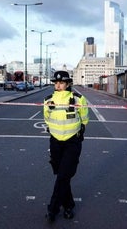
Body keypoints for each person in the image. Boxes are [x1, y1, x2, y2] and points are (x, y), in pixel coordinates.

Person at [43, 70, 89, 223]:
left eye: (61, 82)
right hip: (55, 141)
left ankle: (53, 209)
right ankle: (68, 205)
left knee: (64, 175)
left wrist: (80, 131)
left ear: (68, 83)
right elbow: (47, 119)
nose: (58, 85)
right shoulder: (48, 100)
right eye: (56, 83)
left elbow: (84, 118)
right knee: (62, 175)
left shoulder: (78, 99)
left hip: (72, 141)